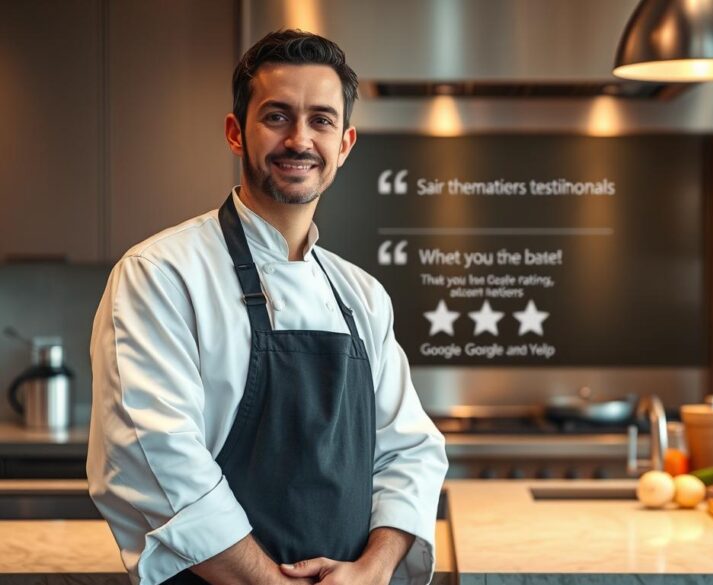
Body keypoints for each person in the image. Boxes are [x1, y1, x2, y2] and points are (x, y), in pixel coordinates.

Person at [87, 30, 447, 585]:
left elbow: (410, 453)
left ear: (345, 144)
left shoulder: (362, 296)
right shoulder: (161, 274)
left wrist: (371, 571)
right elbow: (155, 460)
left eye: (321, 120)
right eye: (277, 116)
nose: (300, 139)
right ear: (236, 132)